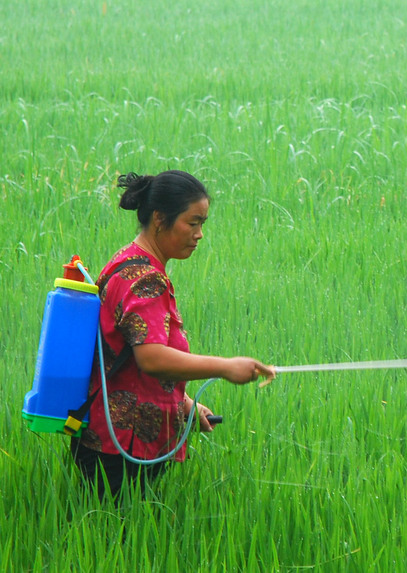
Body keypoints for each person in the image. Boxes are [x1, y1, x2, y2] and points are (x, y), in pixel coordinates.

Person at [69, 170, 275, 497]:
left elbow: (124, 360)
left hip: (109, 436)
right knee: (116, 540)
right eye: (192, 223)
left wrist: (184, 403)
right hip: (122, 448)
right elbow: (150, 357)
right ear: (160, 219)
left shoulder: (127, 261)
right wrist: (224, 367)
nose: (199, 234)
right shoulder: (145, 279)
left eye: (202, 223)